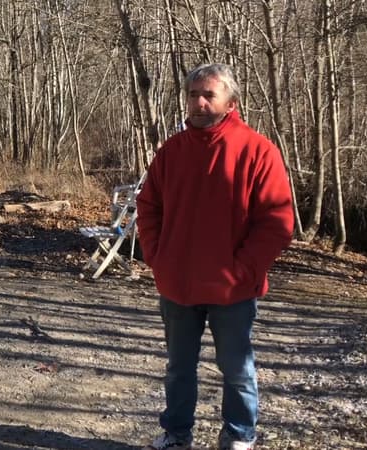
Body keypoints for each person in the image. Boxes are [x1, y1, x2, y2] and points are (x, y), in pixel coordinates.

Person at [136, 63, 294, 450]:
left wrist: (243, 271)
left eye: (209, 95)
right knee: (178, 368)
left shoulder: (258, 151)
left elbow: (277, 222)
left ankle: (239, 435)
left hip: (233, 288)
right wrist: (158, 257)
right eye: (193, 95)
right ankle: (176, 434)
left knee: (238, 370)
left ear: (231, 102)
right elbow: (148, 206)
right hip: (178, 284)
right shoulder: (172, 152)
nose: (199, 102)